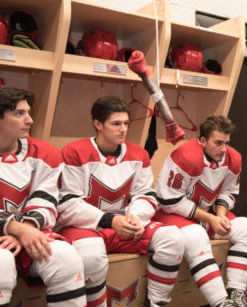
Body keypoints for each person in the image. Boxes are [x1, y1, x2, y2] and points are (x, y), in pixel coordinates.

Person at [56, 96, 184, 307]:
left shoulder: (139, 154)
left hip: (124, 225)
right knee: (90, 256)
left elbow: (146, 195)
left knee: (172, 239)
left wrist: (135, 217)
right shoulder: (74, 152)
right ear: (98, 124)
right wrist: (109, 220)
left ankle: (157, 302)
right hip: (86, 226)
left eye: (125, 123)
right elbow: (67, 203)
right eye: (116, 123)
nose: (123, 129)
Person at [153, 115, 247, 307]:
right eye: (218, 143)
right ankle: (220, 302)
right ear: (202, 141)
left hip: (205, 215)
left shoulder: (233, 158)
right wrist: (210, 218)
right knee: (196, 234)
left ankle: (235, 294)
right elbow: (169, 201)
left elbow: (228, 192)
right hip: (171, 214)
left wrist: (220, 215)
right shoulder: (185, 156)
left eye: (226, 143)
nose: (223, 149)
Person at [0, 87, 86, 306]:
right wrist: (16, 229)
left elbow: (46, 200)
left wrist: (26, 229)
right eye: (19, 113)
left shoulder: (45, 154)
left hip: (28, 230)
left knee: (65, 258)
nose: (29, 120)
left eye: (28, 112)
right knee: (1, 262)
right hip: (13, 233)